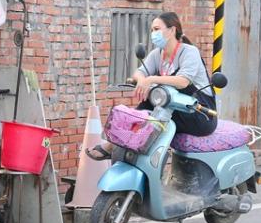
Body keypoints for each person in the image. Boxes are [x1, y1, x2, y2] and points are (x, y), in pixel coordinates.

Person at [87, 12, 217, 161]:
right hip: (173, 112)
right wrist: (143, 80)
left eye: (156, 29)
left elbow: (183, 81)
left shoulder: (189, 52)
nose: (153, 34)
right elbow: (138, 73)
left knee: (155, 104)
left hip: (200, 115)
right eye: (152, 30)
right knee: (150, 103)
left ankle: (112, 146)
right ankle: (118, 144)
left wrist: (151, 79)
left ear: (172, 30)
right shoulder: (157, 54)